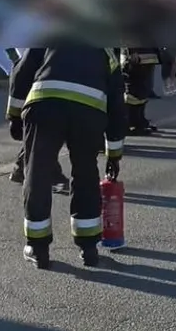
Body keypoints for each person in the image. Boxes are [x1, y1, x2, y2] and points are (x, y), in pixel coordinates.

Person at [7, 45, 126, 269]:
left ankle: (38, 247)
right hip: (88, 113)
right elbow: (117, 105)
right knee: (86, 175)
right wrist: (114, 154)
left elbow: (22, 70)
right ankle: (88, 248)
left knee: (38, 174)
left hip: (45, 106)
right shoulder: (105, 49)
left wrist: (14, 115)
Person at [0, 47, 70, 192]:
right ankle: (48, 175)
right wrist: (14, 115)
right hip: (40, 82)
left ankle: (21, 168)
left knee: (44, 131)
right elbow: (19, 69)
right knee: (48, 131)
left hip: (44, 78)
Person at [122, 47, 161, 135]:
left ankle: (139, 120)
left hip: (147, 54)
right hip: (136, 55)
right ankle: (129, 123)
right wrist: (131, 51)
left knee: (144, 89)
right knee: (133, 90)